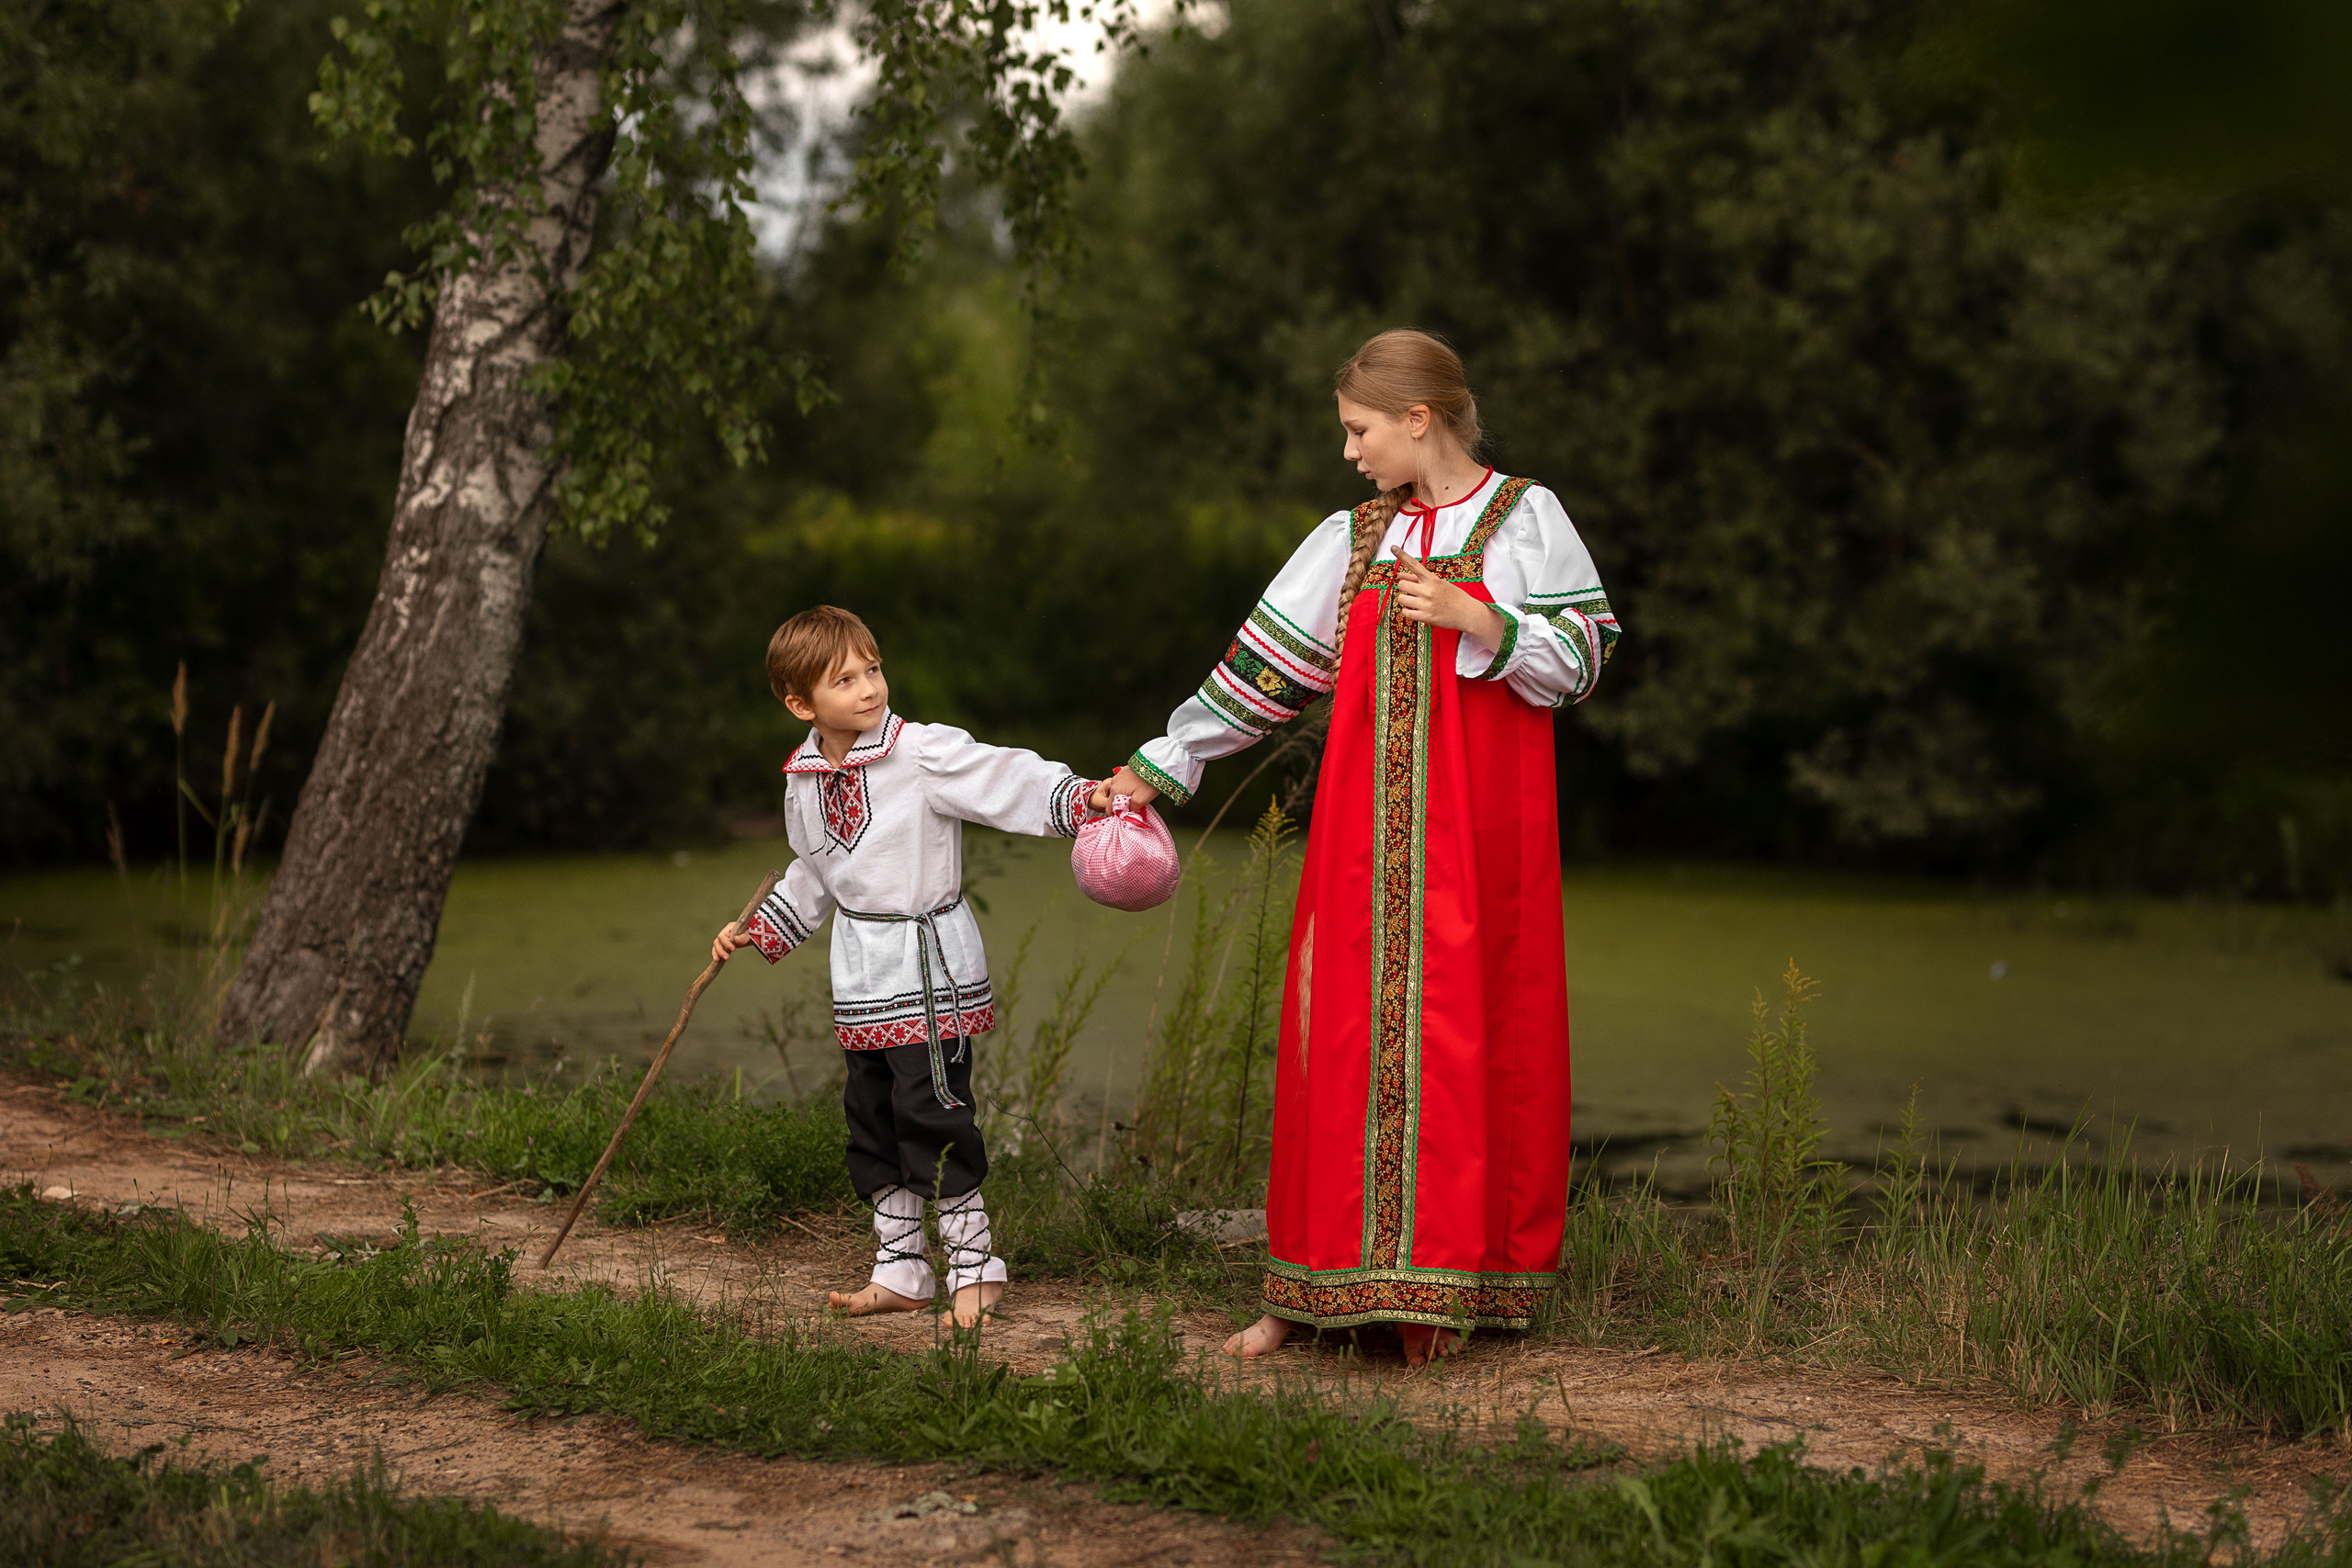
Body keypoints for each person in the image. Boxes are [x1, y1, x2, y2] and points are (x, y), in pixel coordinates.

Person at [1093, 330, 1620, 1366]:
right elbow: (1260, 673)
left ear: (1418, 419)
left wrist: (1482, 619)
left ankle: (1454, 1289)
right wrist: (1163, 764)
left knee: (1472, 1035)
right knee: (1333, 1037)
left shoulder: (1527, 518)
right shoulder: (1354, 537)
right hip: (1362, 840)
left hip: (1482, 837)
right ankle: (1306, 1287)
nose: (1349, 452)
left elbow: (1584, 659)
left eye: (1359, 430)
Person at [714, 605, 1096, 1328]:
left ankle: (976, 1268)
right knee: (874, 1119)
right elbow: (814, 874)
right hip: (861, 976)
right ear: (800, 703)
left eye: (874, 668)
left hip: (928, 969)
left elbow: (1004, 777)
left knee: (934, 1113)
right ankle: (901, 1269)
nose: (869, 688)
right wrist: (755, 927)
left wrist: (1081, 798)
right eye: (845, 678)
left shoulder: (920, 752)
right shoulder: (802, 779)